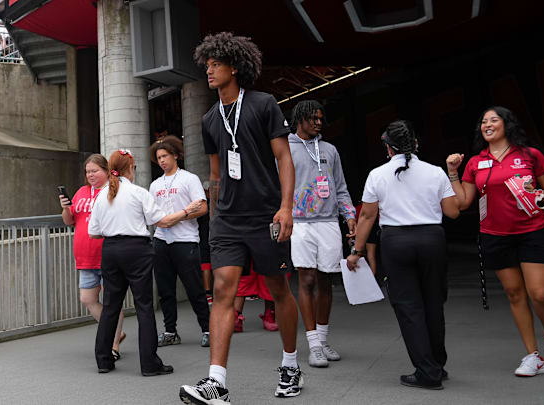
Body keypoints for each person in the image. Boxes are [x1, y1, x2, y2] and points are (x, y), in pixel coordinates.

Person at [179, 32, 301, 404]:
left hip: (266, 213)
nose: (210, 70)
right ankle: (216, 381)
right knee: (222, 292)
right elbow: (216, 175)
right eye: (207, 65)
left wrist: (286, 207)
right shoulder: (208, 119)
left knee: (278, 289)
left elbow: (284, 158)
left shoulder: (264, 105)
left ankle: (291, 364)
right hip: (228, 221)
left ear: (235, 66)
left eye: (216, 64)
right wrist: (215, 217)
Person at [446, 106, 544, 377]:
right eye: (483, 121)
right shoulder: (475, 162)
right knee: (515, 294)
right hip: (495, 235)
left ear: (507, 124)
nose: (487, 124)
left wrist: (537, 195)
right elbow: (464, 202)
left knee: (539, 293)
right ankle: (533, 356)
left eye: (494, 120)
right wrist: (452, 172)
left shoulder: (529, 155)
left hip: (532, 230)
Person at [347, 120, 459, 390]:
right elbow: (453, 212)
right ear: (416, 145)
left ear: (388, 148)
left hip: (396, 241)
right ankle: (437, 364)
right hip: (432, 239)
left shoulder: (377, 175)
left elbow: (367, 216)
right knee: (433, 302)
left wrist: (356, 251)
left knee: (409, 308)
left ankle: (427, 372)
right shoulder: (435, 173)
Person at [88, 149, 204, 376]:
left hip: (110, 249)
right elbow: (162, 221)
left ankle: (103, 360)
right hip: (136, 250)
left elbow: (94, 232)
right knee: (143, 306)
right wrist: (186, 211)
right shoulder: (138, 193)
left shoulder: (102, 195)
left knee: (111, 305)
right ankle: (149, 364)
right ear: (130, 168)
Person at [288, 99, 356, 368]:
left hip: (328, 221)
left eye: (320, 118)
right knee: (305, 280)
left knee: (326, 281)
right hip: (300, 222)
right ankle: (313, 344)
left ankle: (324, 340)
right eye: (313, 118)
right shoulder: (286, 149)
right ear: (300, 119)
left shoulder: (330, 149)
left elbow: (340, 186)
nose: (318, 122)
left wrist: (349, 215)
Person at [59, 154, 126, 361]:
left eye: (94, 171)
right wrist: (65, 208)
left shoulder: (114, 191)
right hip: (85, 257)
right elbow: (69, 221)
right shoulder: (81, 192)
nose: (90, 175)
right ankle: (115, 331)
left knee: (111, 301)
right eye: (87, 171)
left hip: (108, 255)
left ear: (106, 171)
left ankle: (113, 343)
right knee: (87, 299)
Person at [148, 136, 211, 348]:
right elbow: (151, 214)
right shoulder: (155, 185)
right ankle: (170, 331)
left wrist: (177, 217)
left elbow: (202, 208)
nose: (162, 160)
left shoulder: (189, 179)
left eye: (165, 156)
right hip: (161, 241)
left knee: (195, 288)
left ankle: (208, 329)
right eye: (158, 158)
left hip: (185, 240)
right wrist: (163, 221)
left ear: (175, 155)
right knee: (166, 290)